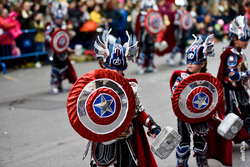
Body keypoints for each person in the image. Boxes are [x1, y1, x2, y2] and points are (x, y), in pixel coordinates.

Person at [86, 29, 161, 167]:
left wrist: (152, 125)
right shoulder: (93, 87)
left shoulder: (129, 88)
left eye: (119, 68)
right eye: (112, 67)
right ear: (104, 65)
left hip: (125, 141)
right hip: (102, 141)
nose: (116, 71)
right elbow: (84, 113)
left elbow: (138, 112)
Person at [170, 34, 215, 167]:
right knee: (183, 143)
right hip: (183, 116)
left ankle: (202, 162)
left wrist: (213, 111)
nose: (189, 64)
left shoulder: (207, 79)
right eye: (188, 61)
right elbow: (174, 95)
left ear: (202, 63)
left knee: (200, 142)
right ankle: (182, 163)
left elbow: (213, 98)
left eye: (193, 61)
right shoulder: (181, 78)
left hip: (200, 116)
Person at [217, 15, 250, 144]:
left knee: (247, 112)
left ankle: (246, 135)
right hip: (231, 91)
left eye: (247, 38)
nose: (246, 41)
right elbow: (232, 75)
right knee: (231, 117)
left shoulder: (238, 52)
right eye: (243, 39)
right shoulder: (232, 55)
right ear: (235, 39)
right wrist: (247, 74)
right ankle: (225, 143)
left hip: (239, 89)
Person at [44, 2, 77, 94]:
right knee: (55, 68)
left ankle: (59, 85)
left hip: (63, 50)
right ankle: (53, 85)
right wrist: (53, 41)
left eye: (61, 18)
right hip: (54, 51)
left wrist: (67, 47)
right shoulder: (51, 25)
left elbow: (65, 38)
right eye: (58, 18)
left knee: (63, 68)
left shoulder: (64, 25)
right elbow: (46, 36)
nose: (60, 20)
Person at [136, 0, 158, 74]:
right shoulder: (143, 14)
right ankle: (139, 66)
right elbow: (142, 24)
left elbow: (156, 24)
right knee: (143, 50)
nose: (149, 8)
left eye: (150, 7)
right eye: (148, 7)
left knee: (152, 51)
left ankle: (149, 66)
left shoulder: (153, 14)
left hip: (150, 35)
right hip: (144, 35)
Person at [166, 0, 190, 66]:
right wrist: (181, 22)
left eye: (185, 6)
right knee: (178, 45)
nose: (184, 8)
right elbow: (175, 22)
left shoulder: (186, 13)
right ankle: (170, 58)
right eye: (183, 6)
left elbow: (188, 21)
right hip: (179, 32)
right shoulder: (178, 13)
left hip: (185, 32)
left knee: (184, 45)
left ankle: (182, 59)